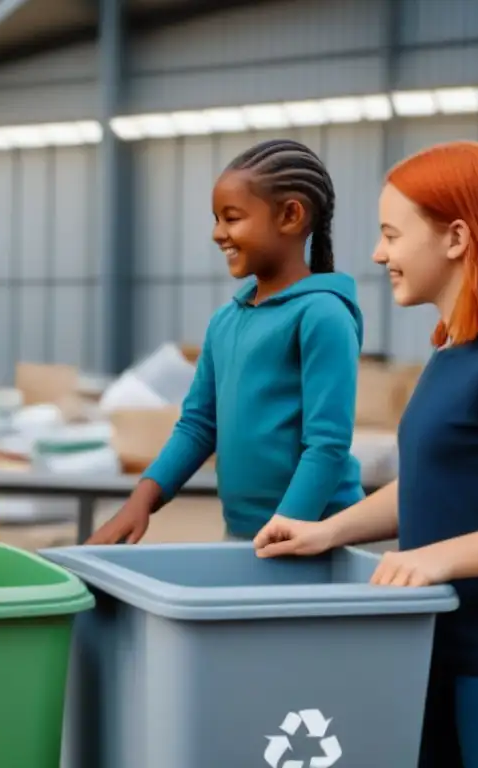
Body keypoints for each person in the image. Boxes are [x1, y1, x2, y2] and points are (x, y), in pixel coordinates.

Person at [253, 140, 478, 767]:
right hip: (436, 652)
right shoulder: (455, 357)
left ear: (455, 237)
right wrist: (328, 531)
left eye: (391, 234)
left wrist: (434, 559)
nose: (378, 254)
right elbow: (432, 484)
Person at [87, 138, 364, 545]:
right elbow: (199, 425)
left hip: (316, 537)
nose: (218, 234)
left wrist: (284, 530)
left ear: (290, 216)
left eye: (232, 218)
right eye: (216, 219)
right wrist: (141, 500)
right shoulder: (226, 321)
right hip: (246, 536)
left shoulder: (323, 315)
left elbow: (327, 445)